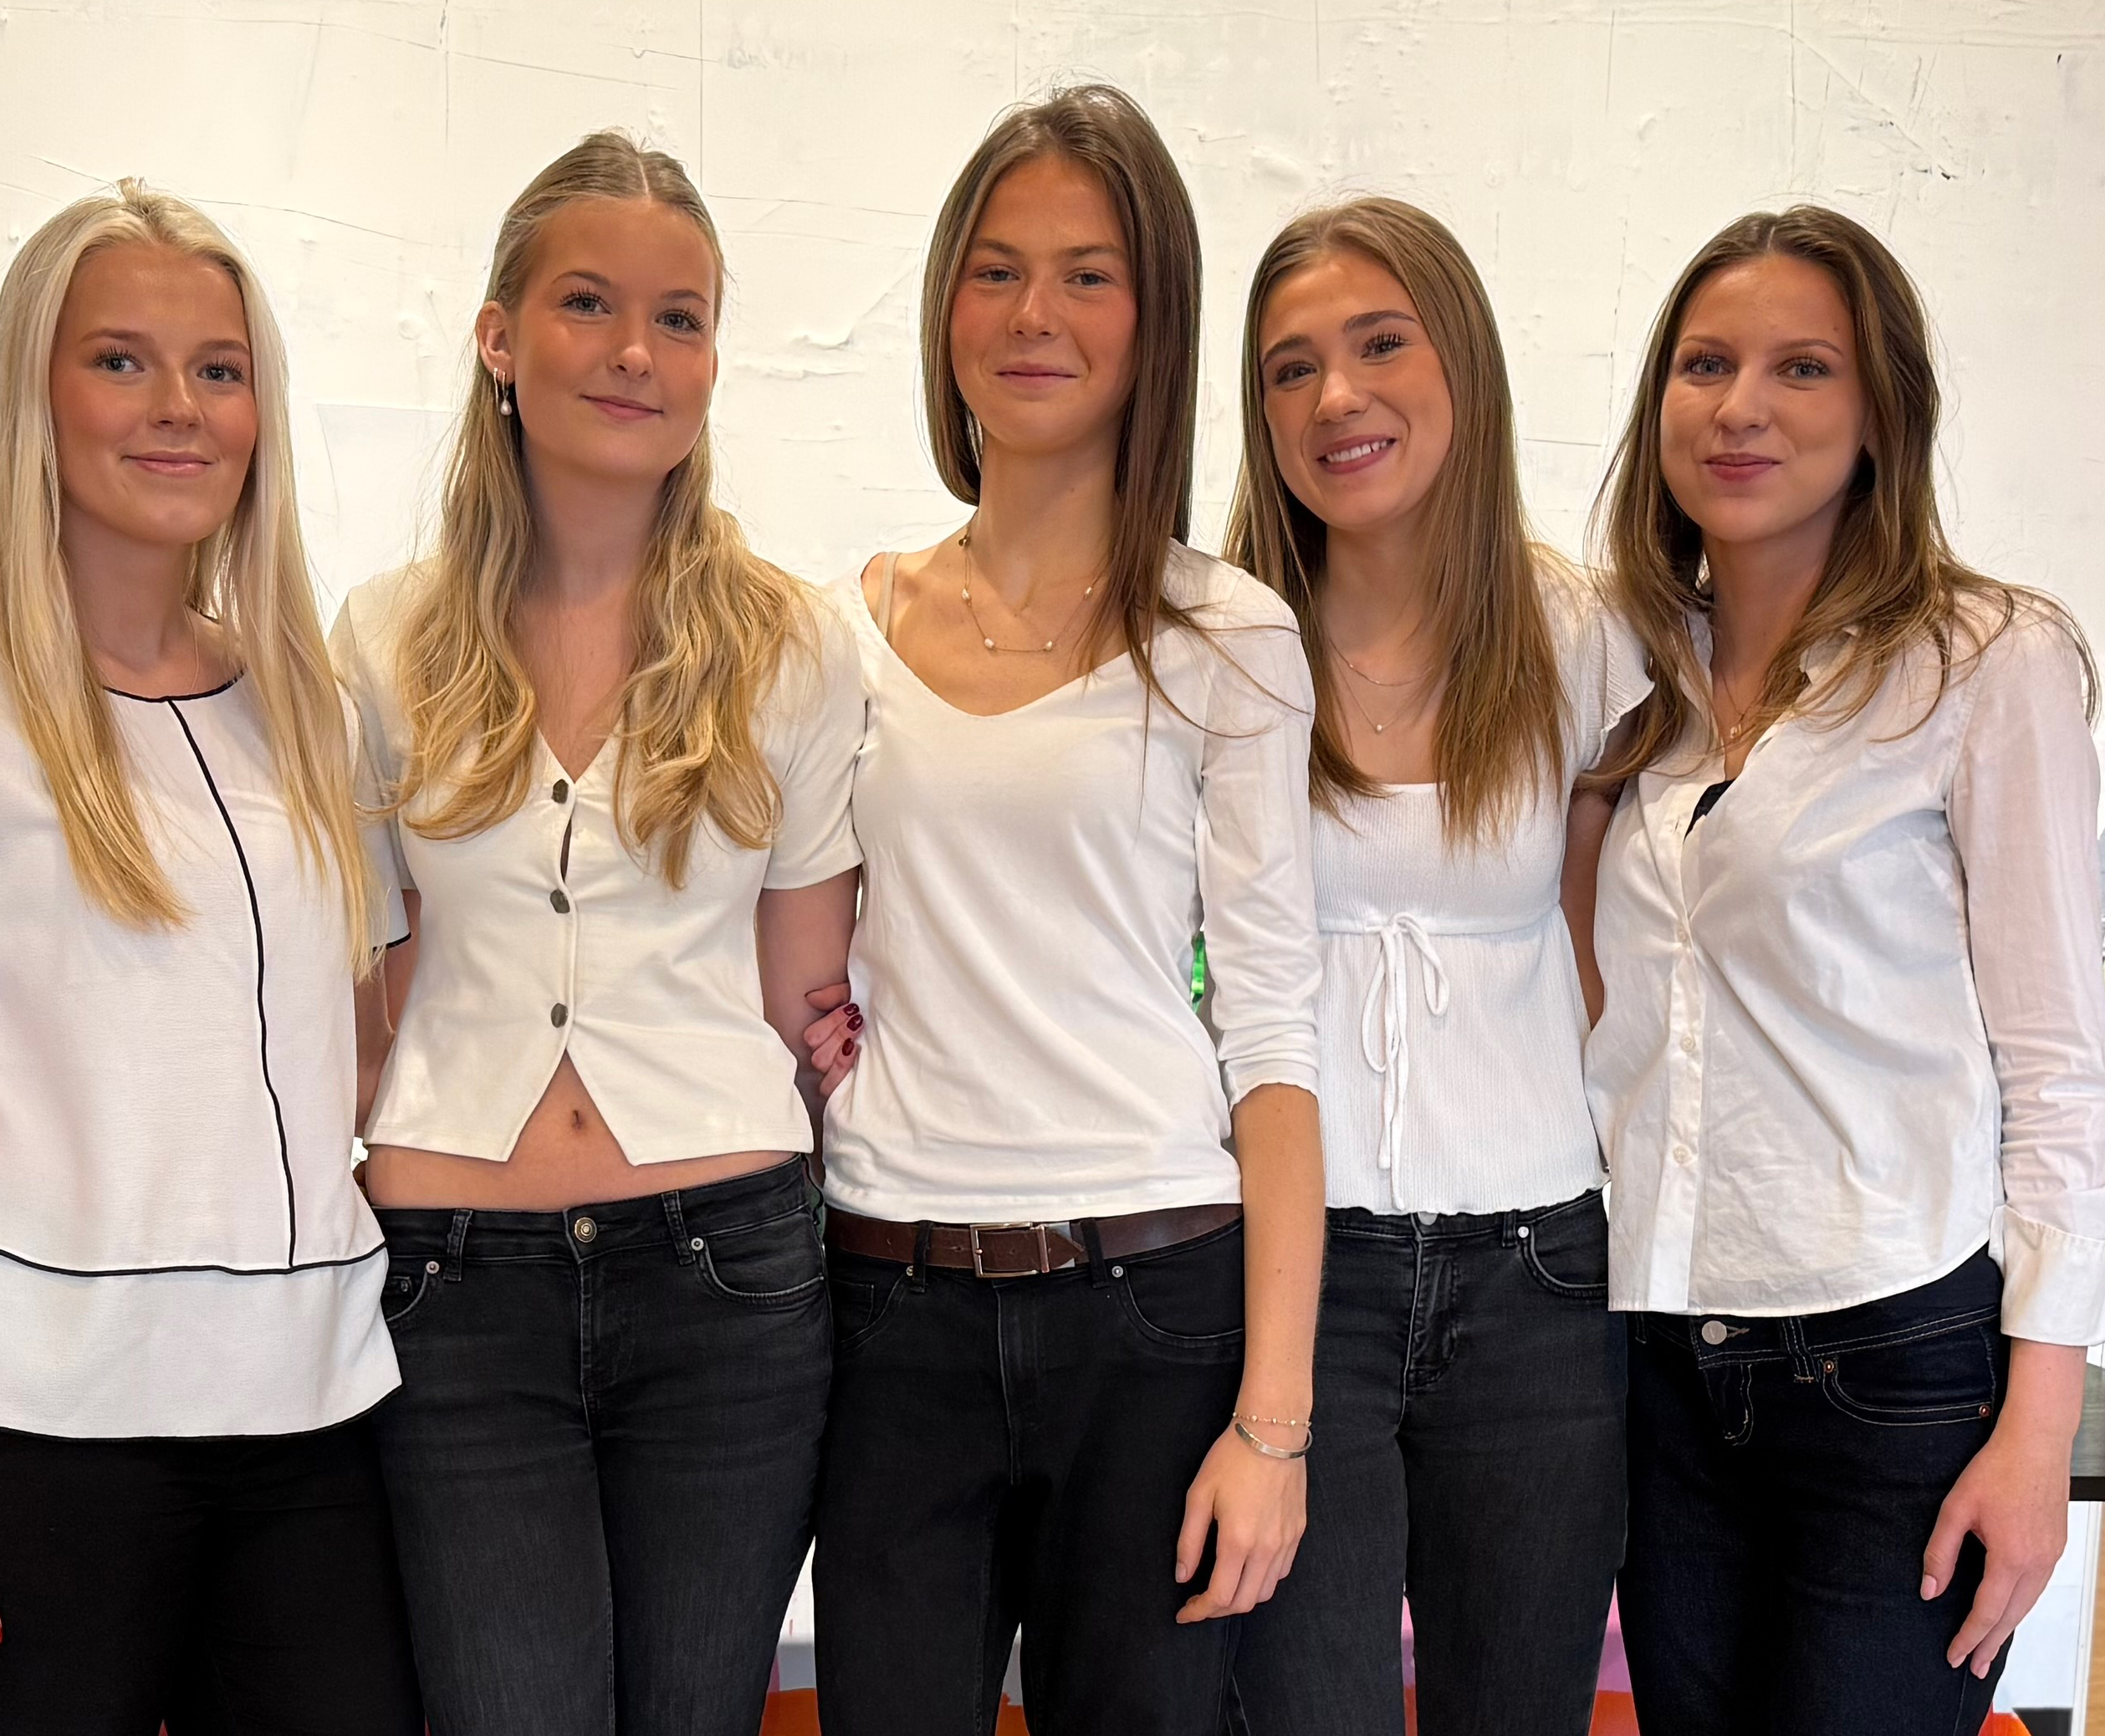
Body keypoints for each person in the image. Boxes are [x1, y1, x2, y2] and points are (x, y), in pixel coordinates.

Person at [0, 183, 419, 1730]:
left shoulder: (315, 709)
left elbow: (372, 1035)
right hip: (39, 1442)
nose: (177, 408)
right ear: (36, 391)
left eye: (219, 369)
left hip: (318, 1429)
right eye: (121, 361)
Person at [1584, 205, 2105, 1735]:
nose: (1741, 407)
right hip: (1656, 1355)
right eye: (1705, 365)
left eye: (1802, 368)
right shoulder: (1632, 679)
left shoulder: (1984, 663)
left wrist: (2036, 1438)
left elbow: (2060, 1070)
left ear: (1879, 415)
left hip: (1892, 1362)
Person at [330, 131, 864, 1736]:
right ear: (498, 339)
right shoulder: (382, 637)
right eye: (587, 304)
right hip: (450, 1282)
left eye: (679, 319)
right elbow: (369, 981)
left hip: (728, 1280)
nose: (636, 351)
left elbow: (802, 999)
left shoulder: (791, 644)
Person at [807, 84, 1326, 1736]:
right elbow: (795, 951)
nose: (1035, 314)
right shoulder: (838, 631)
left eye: (1088, 275)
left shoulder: (1228, 635)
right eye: (997, 270)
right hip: (890, 1300)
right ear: (944, 308)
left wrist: (1272, 1425)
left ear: (1153, 318)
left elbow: (1273, 1037)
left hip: (1155, 1310)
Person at [1218, 197, 1638, 1736]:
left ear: (1461, 360)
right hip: (1292, 1272)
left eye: (1380, 344)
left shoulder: (1578, 634)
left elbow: (1612, 947)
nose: (1337, 396)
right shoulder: (1220, 643)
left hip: (1539, 1273)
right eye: (1291, 368)